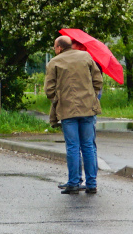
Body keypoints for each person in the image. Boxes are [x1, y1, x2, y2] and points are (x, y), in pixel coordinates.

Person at [44, 34, 103, 195]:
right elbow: (98, 80)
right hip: (88, 108)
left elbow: (49, 89)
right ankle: (91, 184)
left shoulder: (54, 62)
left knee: (73, 147)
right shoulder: (86, 56)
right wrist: (92, 95)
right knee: (88, 146)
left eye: (54, 47)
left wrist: (58, 99)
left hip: (67, 110)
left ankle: (74, 183)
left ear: (59, 48)